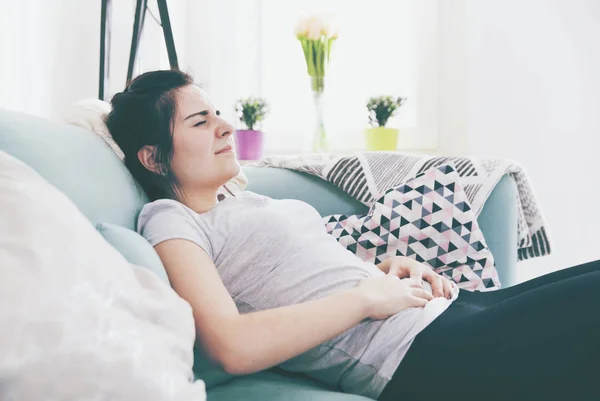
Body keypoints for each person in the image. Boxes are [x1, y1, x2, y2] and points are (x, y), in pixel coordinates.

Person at [105, 69, 599, 401]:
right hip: (421, 353)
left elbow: (306, 278)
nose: (226, 127)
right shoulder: (171, 219)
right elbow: (231, 346)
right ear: (152, 157)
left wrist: (382, 271)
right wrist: (366, 298)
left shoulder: (240, 202)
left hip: (447, 311)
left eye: (217, 113)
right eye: (200, 120)